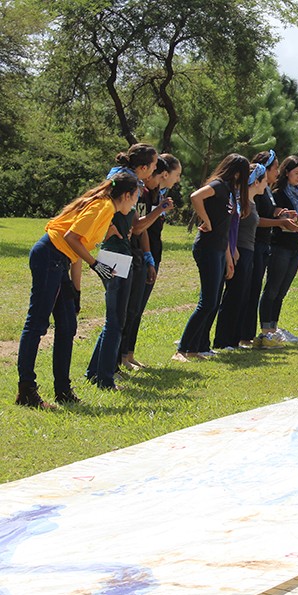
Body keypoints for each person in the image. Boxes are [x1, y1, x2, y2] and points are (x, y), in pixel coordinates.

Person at [16, 172, 141, 408]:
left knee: (68, 325)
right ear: (126, 195)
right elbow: (70, 237)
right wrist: (95, 264)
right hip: (49, 255)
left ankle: (63, 390)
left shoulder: (107, 211)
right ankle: (26, 391)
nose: (135, 204)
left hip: (59, 260)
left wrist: (76, 291)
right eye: (136, 197)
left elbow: (76, 249)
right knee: (37, 324)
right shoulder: (103, 206)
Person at [85, 145, 158, 389]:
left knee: (117, 318)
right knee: (116, 320)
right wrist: (107, 228)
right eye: (154, 165)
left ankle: (95, 372)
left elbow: (134, 224)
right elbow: (94, 202)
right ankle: (105, 379)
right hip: (115, 254)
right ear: (143, 166)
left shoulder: (129, 179)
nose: (155, 170)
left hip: (121, 253)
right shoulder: (122, 179)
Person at [174, 154, 249, 361]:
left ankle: (196, 348)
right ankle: (182, 349)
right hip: (207, 248)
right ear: (236, 173)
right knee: (207, 302)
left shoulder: (231, 192)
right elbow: (195, 197)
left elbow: (225, 229)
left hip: (219, 249)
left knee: (213, 301)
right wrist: (206, 220)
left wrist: (228, 259)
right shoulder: (219, 185)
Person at [120, 153, 181, 369]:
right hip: (133, 253)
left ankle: (129, 353)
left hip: (148, 253)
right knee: (128, 309)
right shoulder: (141, 193)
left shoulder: (155, 194)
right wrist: (160, 209)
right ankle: (121, 356)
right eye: (177, 174)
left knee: (137, 308)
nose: (178, 179)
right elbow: (139, 227)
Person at [241, 150, 298, 349]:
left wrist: (280, 212)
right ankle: (247, 335)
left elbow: (267, 211)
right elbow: (256, 218)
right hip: (254, 243)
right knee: (253, 292)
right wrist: (280, 222)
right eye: (275, 168)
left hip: (263, 245)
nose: (277, 172)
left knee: (257, 290)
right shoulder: (257, 189)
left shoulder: (265, 190)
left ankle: (255, 335)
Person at [258, 155, 298, 343]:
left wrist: (297, 219)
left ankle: (274, 329)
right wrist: (296, 220)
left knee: (282, 292)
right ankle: (266, 330)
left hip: (295, 247)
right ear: (286, 172)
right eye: (296, 173)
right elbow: (281, 220)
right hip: (279, 245)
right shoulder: (278, 193)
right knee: (272, 289)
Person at [214, 163, 269, 350]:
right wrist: (233, 250)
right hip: (240, 251)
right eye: (264, 180)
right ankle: (223, 340)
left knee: (243, 297)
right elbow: (230, 228)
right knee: (233, 296)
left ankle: (234, 339)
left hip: (249, 251)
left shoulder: (251, 202)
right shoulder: (240, 202)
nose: (267, 184)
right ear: (256, 182)